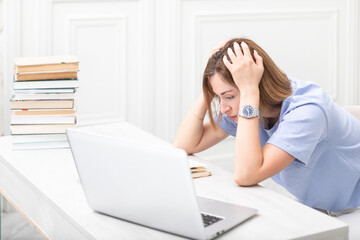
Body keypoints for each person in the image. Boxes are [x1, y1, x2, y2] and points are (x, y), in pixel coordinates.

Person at [174, 37, 360, 214]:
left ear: (257, 86)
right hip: (315, 208)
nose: (223, 108)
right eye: (219, 97)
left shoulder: (307, 112)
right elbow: (186, 144)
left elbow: (245, 175)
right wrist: (212, 83)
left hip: (350, 211)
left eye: (229, 96)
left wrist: (248, 92)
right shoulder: (250, 106)